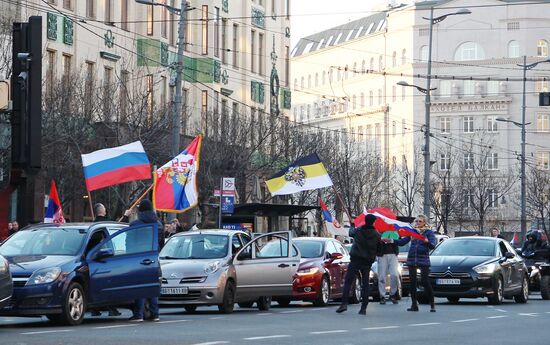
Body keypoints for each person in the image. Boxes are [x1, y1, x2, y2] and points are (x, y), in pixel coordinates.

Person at [336, 214, 381, 315]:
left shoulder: (359, 230)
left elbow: (351, 232)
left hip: (355, 259)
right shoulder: (377, 234)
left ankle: (344, 303)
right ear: (374, 222)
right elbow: (379, 250)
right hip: (367, 261)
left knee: (348, 281)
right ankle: (363, 307)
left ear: (365, 221)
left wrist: (352, 224)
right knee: (365, 284)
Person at [129, 199, 164, 322]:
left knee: (140, 287)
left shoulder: (135, 225)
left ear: (140, 211)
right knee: (152, 286)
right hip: (154, 258)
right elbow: (161, 243)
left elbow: (129, 243)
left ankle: (138, 314)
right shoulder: (158, 225)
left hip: (139, 258)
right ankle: (155, 313)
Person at [395, 215, 437, 312]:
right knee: (412, 283)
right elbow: (402, 242)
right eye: (417, 221)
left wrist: (427, 242)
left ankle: (432, 303)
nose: (418, 223)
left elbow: (432, 245)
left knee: (424, 281)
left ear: (425, 223)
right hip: (412, 259)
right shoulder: (412, 232)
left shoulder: (428, 233)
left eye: (420, 221)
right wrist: (392, 240)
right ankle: (414, 304)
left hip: (423, 260)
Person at [91, 202, 122, 317]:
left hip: (94, 260)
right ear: (101, 211)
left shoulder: (93, 226)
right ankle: (112, 308)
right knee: (110, 285)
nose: (106, 210)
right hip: (107, 259)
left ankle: (95, 308)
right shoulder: (104, 223)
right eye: (104, 208)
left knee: (97, 285)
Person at [377, 234, 400, 305]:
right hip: (382, 254)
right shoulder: (378, 231)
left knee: (395, 275)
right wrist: (380, 240)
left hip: (393, 254)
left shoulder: (394, 230)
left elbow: (400, 240)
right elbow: (373, 240)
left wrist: (392, 240)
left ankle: (393, 294)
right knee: (381, 276)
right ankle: (382, 296)